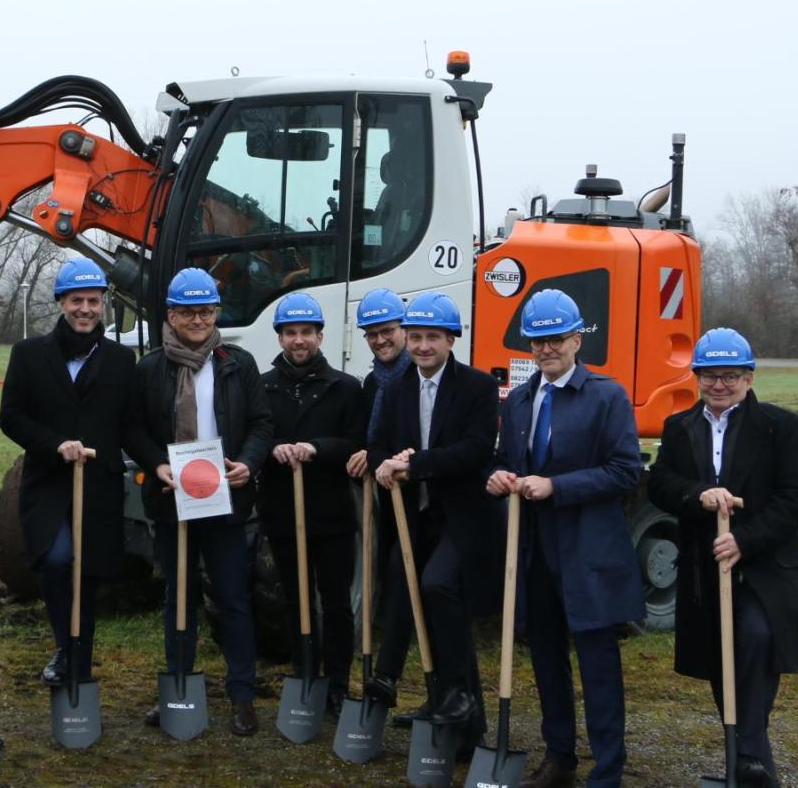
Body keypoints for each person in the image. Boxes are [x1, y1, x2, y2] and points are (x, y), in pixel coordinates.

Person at [485, 288, 644, 788]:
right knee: (548, 660)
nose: (545, 350)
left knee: (598, 666)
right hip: (534, 550)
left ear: (577, 339)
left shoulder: (607, 396)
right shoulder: (520, 401)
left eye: (555, 340)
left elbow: (625, 472)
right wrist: (497, 477)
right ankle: (559, 760)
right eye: (536, 342)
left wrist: (558, 486)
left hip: (589, 550)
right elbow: (507, 459)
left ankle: (608, 769)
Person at [648, 328, 798, 788]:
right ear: (696, 376)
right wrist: (699, 494)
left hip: (767, 568)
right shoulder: (679, 427)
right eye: (710, 376)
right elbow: (661, 484)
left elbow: (795, 499)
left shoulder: (783, 427)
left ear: (749, 376)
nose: (719, 385)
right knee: (721, 659)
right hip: (706, 569)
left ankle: (748, 753)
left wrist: (745, 540)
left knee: (756, 641)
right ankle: (750, 764)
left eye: (730, 376)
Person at [129, 267, 272, 737]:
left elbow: (261, 423)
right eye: (188, 312)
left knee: (232, 597)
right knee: (178, 598)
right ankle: (178, 689)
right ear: (171, 315)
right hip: (173, 500)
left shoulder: (237, 363)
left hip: (225, 499)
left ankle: (242, 697)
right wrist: (157, 462)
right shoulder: (151, 367)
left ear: (216, 314)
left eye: (205, 311)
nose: (197, 320)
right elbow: (133, 428)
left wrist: (249, 462)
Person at [369, 292, 501, 749]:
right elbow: (380, 444)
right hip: (416, 517)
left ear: (451, 340)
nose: (423, 346)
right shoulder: (398, 389)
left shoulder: (477, 387)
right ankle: (433, 698)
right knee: (402, 587)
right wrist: (384, 463)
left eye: (433, 338)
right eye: (417, 337)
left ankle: (458, 691)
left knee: (439, 587)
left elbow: (476, 449)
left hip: (463, 518)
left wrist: (417, 463)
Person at [0, 258, 136, 689]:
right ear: (61, 302)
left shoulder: (120, 359)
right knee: (57, 560)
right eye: (76, 300)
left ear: (103, 305)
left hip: (98, 487)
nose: (85, 309)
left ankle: (79, 657)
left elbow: (131, 425)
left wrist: (163, 463)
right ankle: (65, 643)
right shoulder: (29, 355)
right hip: (49, 484)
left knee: (88, 571)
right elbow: (12, 418)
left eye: (93, 301)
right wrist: (55, 444)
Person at [256, 292, 365, 714]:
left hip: (331, 512)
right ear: (280, 338)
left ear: (320, 335)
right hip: (283, 510)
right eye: (290, 333)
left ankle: (336, 683)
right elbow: (255, 437)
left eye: (306, 332)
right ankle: (305, 675)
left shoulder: (344, 387)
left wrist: (316, 448)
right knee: (293, 597)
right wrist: (276, 449)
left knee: (334, 599)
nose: (298, 340)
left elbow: (357, 442)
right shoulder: (263, 388)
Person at [344, 287, 410, 480]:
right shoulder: (372, 382)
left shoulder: (420, 375)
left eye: (387, 331)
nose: (380, 340)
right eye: (372, 334)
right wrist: (368, 453)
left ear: (404, 329)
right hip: (386, 488)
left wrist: (373, 455)